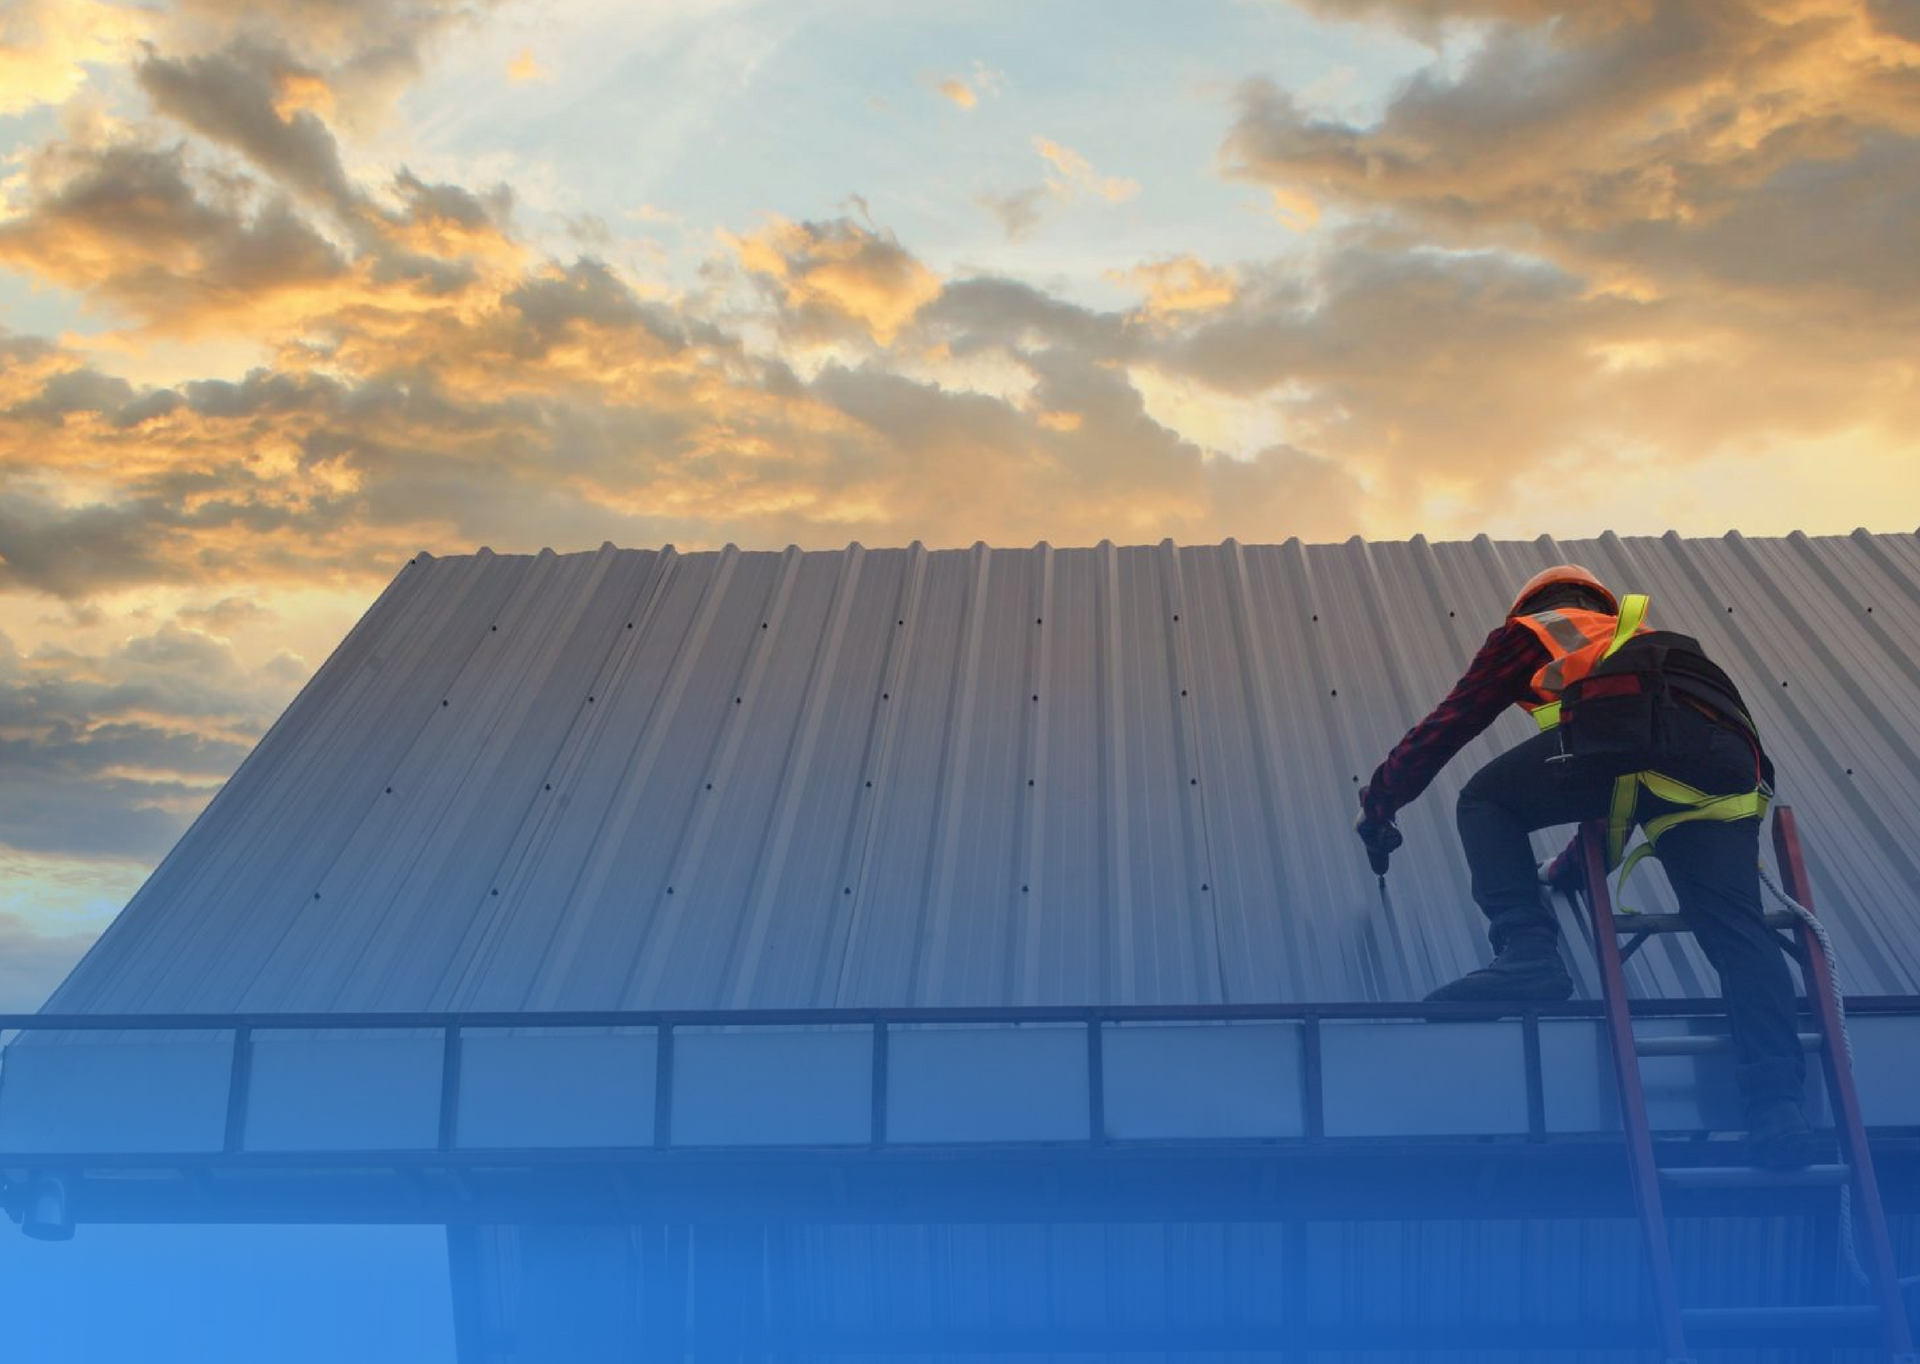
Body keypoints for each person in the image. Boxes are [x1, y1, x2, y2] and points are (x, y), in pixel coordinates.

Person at [1351, 564, 1815, 1167]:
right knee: (1735, 931)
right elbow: (1617, 786)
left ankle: (1527, 954)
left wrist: (1380, 802)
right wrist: (1568, 867)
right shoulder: (1642, 647)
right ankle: (1779, 1109)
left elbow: (1450, 724)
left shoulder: (1534, 629)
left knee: (1485, 799)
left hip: (1636, 744)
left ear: (1532, 604)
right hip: (1724, 771)